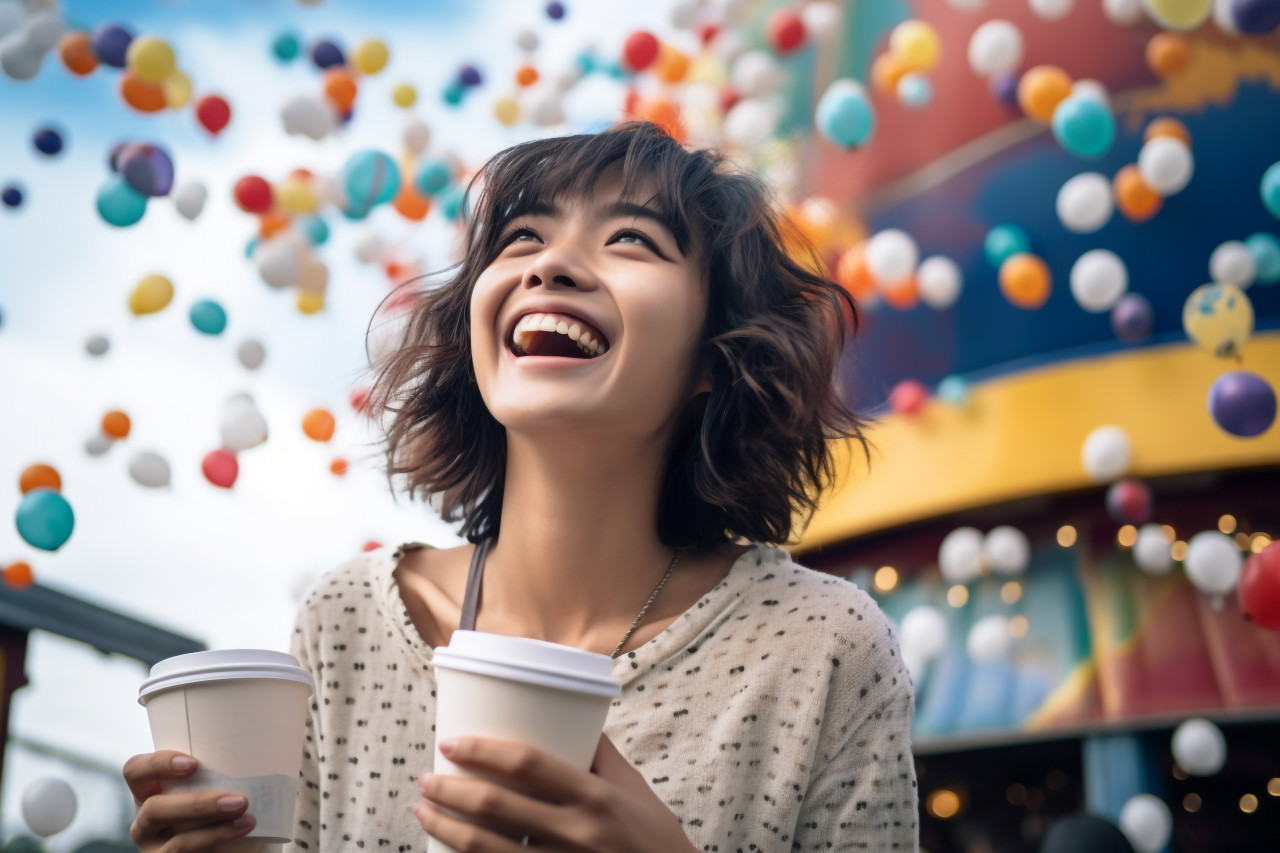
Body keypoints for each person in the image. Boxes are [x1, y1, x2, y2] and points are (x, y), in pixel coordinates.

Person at [123, 121, 917, 852]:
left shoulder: (825, 649)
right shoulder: (348, 623)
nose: (550, 263)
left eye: (631, 239)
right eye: (522, 237)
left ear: (715, 356)